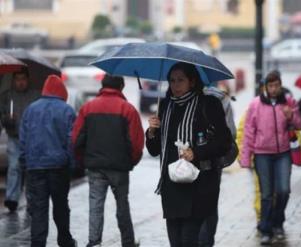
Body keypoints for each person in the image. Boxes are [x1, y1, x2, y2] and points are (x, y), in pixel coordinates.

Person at [146, 62, 232, 247]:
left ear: (192, 81)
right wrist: (151, 132)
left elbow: (224, 142)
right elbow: (154, 150)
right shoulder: (165, 106)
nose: (175, 85)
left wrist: (197, 153)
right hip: (171, 186)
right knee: (176, 241)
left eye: (180, 80)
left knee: (189, 240)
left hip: (199, 185)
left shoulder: (208, 104)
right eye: (172, 81)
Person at [72, 74, 144, 247]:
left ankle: (94, 242)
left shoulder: (88, 108)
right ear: (121, 87)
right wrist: (131, 161)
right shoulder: (128, 109)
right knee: (122, 205)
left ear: (102, 86)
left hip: (95, 166)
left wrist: (84, 159)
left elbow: (76, 140)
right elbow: (136, 143)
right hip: (119, 167)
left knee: (95, 204)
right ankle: (127, 242)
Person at [240, 71, 301, 245]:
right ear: (265, 87)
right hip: (262, 154)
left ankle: (278, 222)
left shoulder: (289, 102)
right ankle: (266, 229)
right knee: (266, 194)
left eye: (276, 85)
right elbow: (248, 132)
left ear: (280, 84)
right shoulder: (256, 104)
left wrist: (292, 116)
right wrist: (246, 157)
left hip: (283, 153)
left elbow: (299, 125)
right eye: (270, 86)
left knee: (284, 190)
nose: (274, 89)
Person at [19, 75, 77, 247]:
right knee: (60, 206)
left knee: (38, 208)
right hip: (59, 167)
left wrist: (24, 162)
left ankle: (37, 243)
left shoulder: (31, 109)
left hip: (35, 167)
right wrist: (71, 164)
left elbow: (24, 139)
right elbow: (71, 141)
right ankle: (65, 240)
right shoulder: (67, 110)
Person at [198, 85, 236, 247]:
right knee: (208, 203)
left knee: (199, 204)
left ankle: (202, 241)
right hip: (212, 161)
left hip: (205, 161)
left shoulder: (219, 99)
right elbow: (231, 133)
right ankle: (205, 242)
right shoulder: (221, 98)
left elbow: (229, 135)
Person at [0, 68, 40, 212]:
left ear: (27, 80)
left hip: (31, 139)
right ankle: (12, 198)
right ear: (13, 80)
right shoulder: (7, 96)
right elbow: (2, 117)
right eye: (17, 79)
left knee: (30, 169)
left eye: (23, 79)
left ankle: (31, 198)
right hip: (14, 137)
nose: (20, 82)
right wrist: (7, 119)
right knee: (14, 167)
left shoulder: (35, 96)